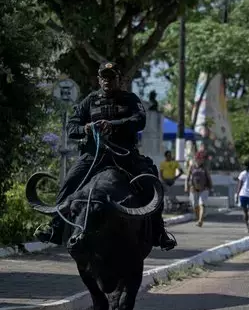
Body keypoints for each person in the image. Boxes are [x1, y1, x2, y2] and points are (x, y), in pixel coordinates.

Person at [34, 61, 177, 251]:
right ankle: (55, 228)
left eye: (111, 77)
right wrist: (85, 128)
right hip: (93, 157)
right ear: (99, 79)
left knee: (151, 181)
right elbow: (71, 127)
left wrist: (114, 125)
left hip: (124, 155)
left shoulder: (131, 99)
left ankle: (159, 232)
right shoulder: (89, 101)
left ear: (119, 79)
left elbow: (139, 120)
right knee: (69, 182)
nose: (107, 81)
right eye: (104, 77)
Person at [185, 153, 213, 227]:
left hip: (204, 189)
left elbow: (209, 178)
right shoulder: (191, 167)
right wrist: (186, 186)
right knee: (195, 205)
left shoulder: (204, 168)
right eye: (198, 159)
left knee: (202, 204)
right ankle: (198, 218)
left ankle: (200, 220)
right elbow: (187, 178)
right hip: (193, 189)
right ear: (195, 159)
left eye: (201, 159)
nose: (200, 160)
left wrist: (210, 187)